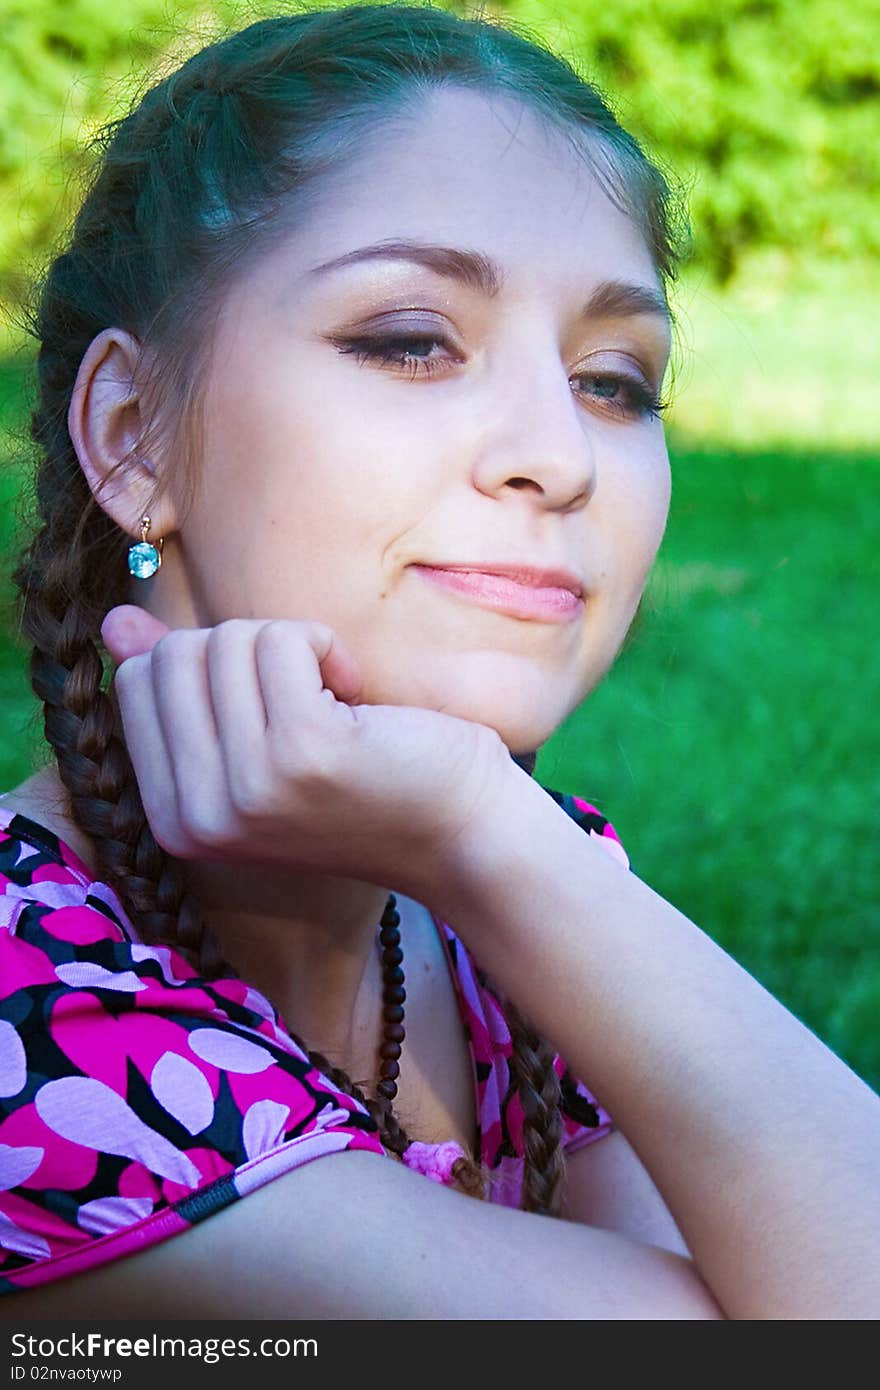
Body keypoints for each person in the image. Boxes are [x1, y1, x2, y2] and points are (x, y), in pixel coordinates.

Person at [0, 2, 876, 1322]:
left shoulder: (489, 895)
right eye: (411, 340)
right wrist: (499, 840)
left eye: (615, 380)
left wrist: (493, 834)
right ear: (132, 434)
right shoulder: (33, 1035)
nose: (561, 456)